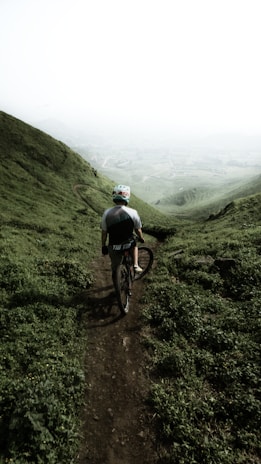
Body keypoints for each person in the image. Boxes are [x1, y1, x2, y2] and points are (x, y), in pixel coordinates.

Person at [101, 184, 145, 275]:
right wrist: (141, 238)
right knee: (135, 244)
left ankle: (115, 274)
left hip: (113, 245)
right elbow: (138, 230)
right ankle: (136, 265)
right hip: (128, 244)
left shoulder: (107, 212)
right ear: (127, 196)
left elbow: (104, 232)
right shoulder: (133, 212)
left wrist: (103, 245)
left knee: (115, 265)